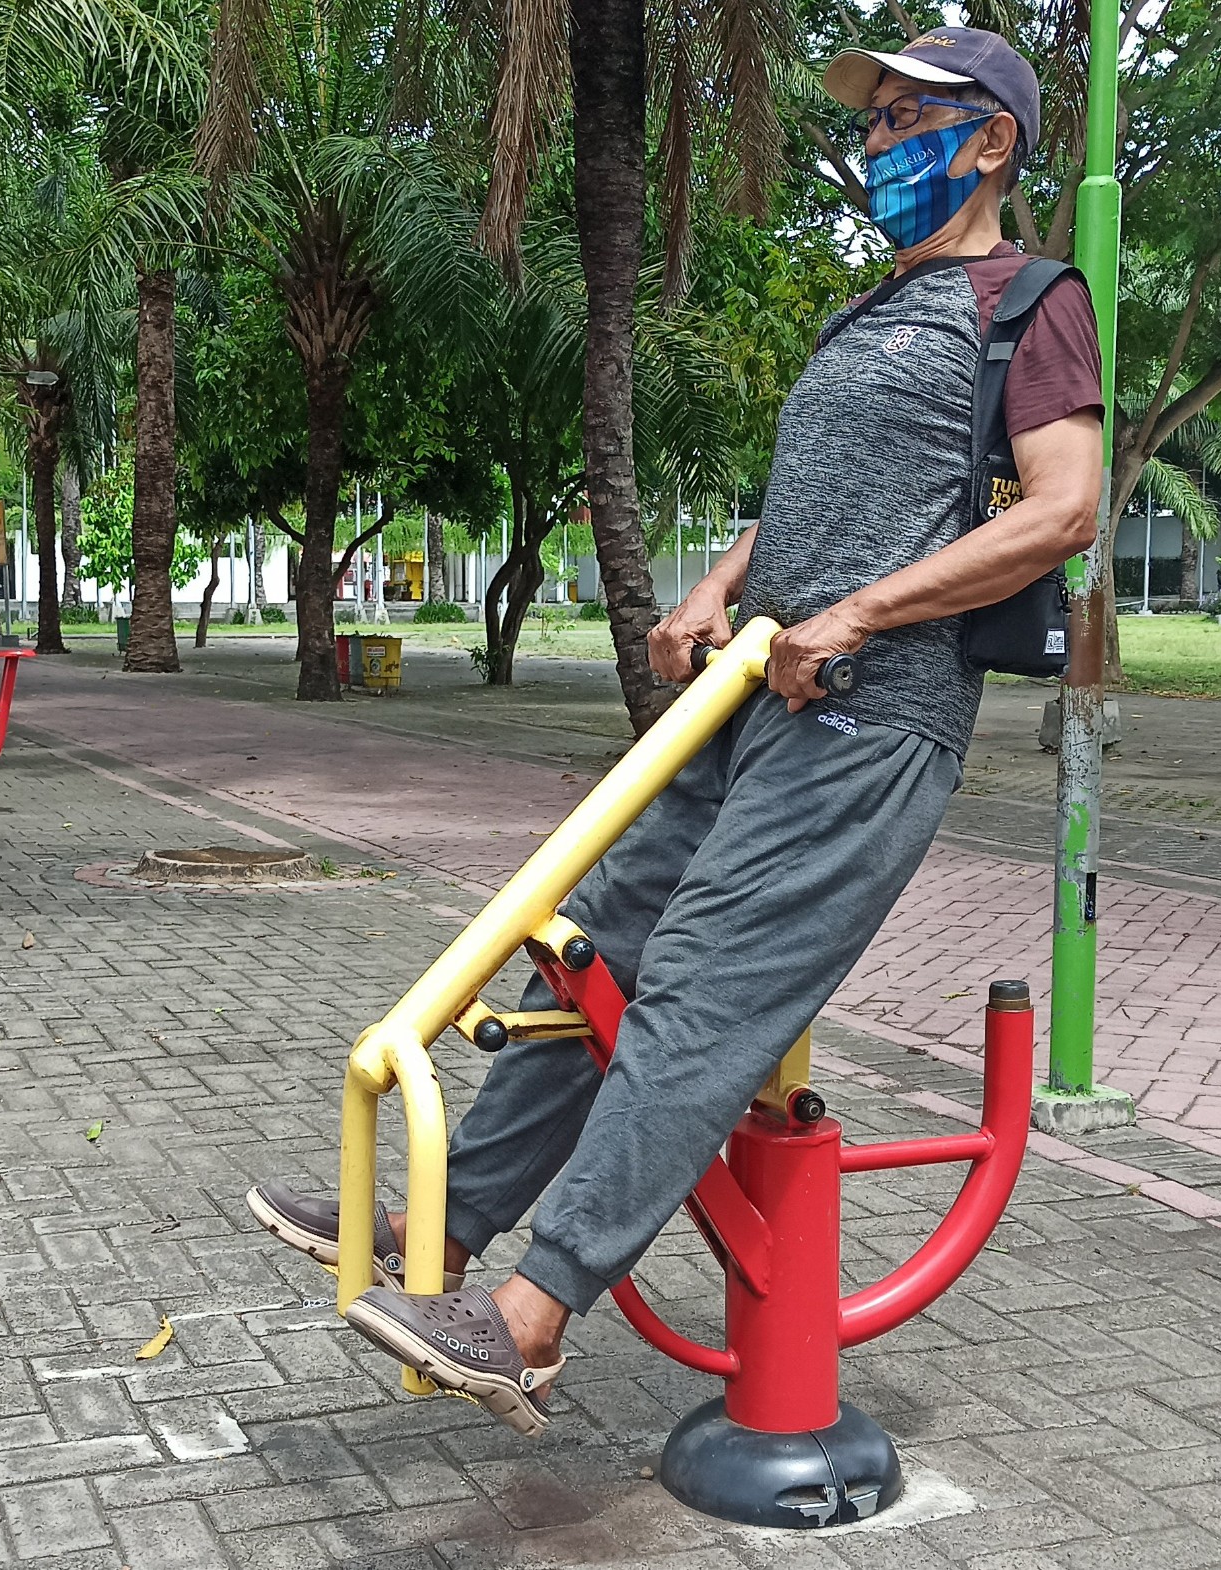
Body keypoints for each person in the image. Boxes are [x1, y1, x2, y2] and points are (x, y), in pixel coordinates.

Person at [247, 26, 1104, 1437]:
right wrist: (727, 578)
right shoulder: (877, 308)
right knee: (591, 942)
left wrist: (866, 615)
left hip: (870, 725)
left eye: (907, 123)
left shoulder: (1031, 302)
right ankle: (442, 1237)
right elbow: (835, 497)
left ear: (993, 139)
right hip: (750, 701)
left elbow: (1063, 508)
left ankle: (529, 1320)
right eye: (877, 126)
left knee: (701, 985)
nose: (880, 146)